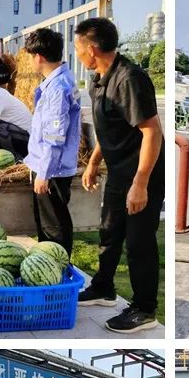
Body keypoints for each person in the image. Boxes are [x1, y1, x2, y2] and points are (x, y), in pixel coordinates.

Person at [74, 17, 164, 334]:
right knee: (110, 231)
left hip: (143, 173)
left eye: (78, 47)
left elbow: (152, 132)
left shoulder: (129, 79)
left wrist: (140, 184)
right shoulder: (100, 79)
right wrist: (95, 161)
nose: (78, 53)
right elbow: (108, 129)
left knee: (139, 241)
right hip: (118, 171)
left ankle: (144, 309)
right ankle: (103, 288)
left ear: (92, 48)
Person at [23, 28, 81, 257]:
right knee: (49, 224)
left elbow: (54, 137)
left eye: (30, 57)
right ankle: (48, 265)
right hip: (51, 167)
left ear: (39, 57)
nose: (30, 62)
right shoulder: (61, 80)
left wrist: (44, 173)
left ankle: (57, 270)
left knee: (53, 226)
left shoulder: (57, 89)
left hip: (53, 171)